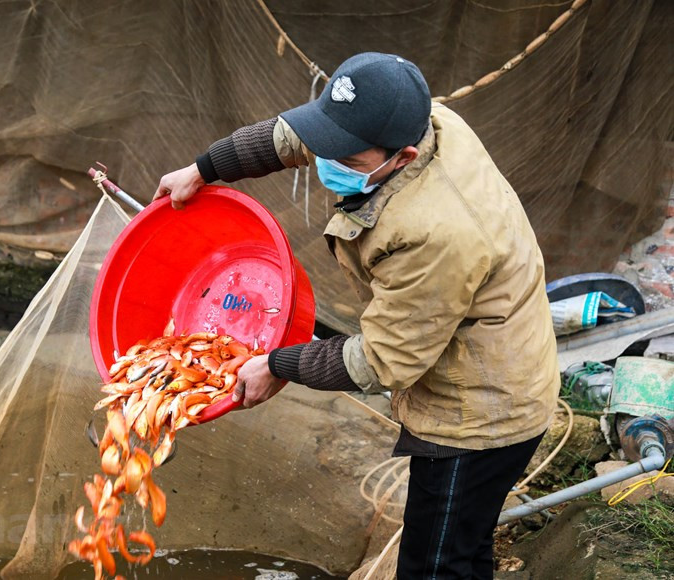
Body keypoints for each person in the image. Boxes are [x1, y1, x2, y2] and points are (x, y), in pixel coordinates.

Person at [153, 52, 558, 580]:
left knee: (435, 565)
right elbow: (292, 137)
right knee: (463, 546)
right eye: (327, 142)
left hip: (482, 410)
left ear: (404, 158)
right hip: (463, 342)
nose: (325, 159)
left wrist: (277, 365)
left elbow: (380, 361)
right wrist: (202, 169)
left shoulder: (436, 233)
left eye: (346, 156)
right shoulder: (419, 119)